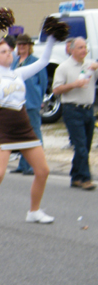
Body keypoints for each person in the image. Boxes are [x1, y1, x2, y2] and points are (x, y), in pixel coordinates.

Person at [0, 29, 55, 228]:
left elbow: (44, 61)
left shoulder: (18, 73)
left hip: (24, 127)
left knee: (43, 171)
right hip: (5, 129)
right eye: (3, 52)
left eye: (9, 51)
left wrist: (53, 36)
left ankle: (34, 211)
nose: (8, 53)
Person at [52, 37, 98, 190]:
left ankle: (76, 175)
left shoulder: (90, 65)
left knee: (85, 145)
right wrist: (74, 85)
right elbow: (56, 89)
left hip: (88, 109)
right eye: (80, 47)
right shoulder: (63, 67)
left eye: (85, 47)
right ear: (71, 50)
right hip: (72, 109)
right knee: (80, 146)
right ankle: (85, 178)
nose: (83, 50)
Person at [11, 34, 47, 175]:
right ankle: (23, 164)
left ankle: (36, 165)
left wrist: (39, 98)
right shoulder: (15, 62)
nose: (22, 47)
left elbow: (43, 83)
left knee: (35, 133)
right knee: (21, 134)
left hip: (31, 102)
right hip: (18, 104)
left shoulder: (36, 62)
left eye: (24, 45)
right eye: (19, 45)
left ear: (29, 46)